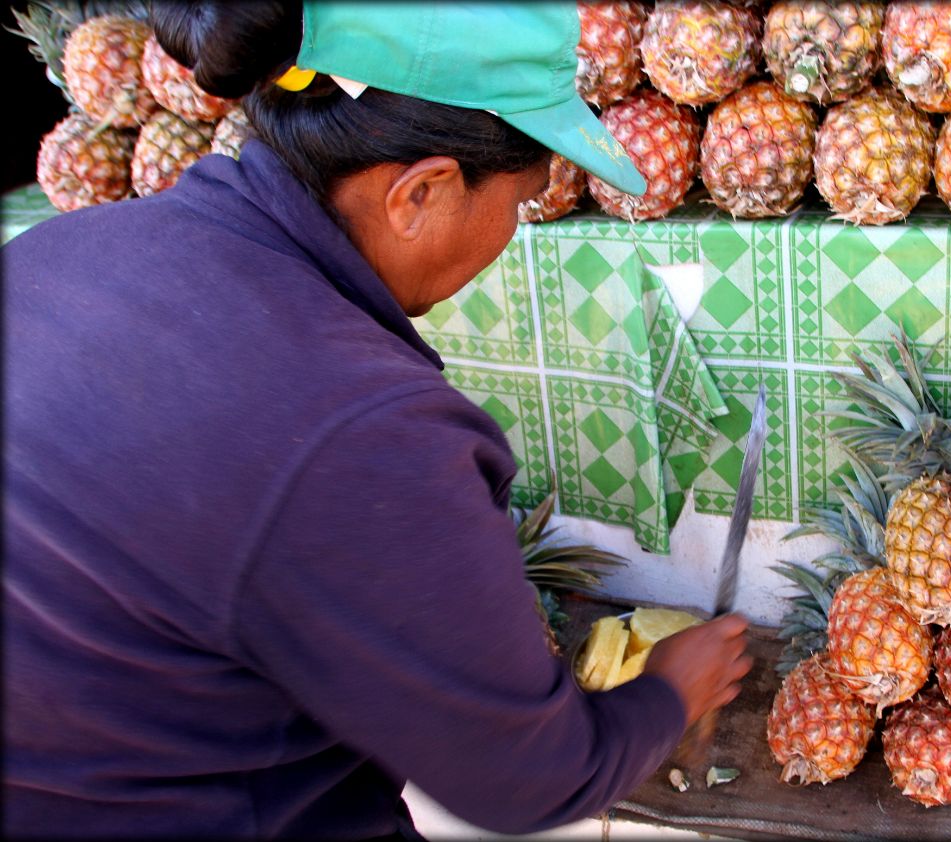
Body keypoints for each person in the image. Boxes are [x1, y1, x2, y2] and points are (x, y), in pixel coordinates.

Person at [2, 1, 754, 838]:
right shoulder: (361, 430)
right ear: (420, 192)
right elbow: (531, 780)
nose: (513, 230)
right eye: (521, 200)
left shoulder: (46, 255)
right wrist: (669, 691)